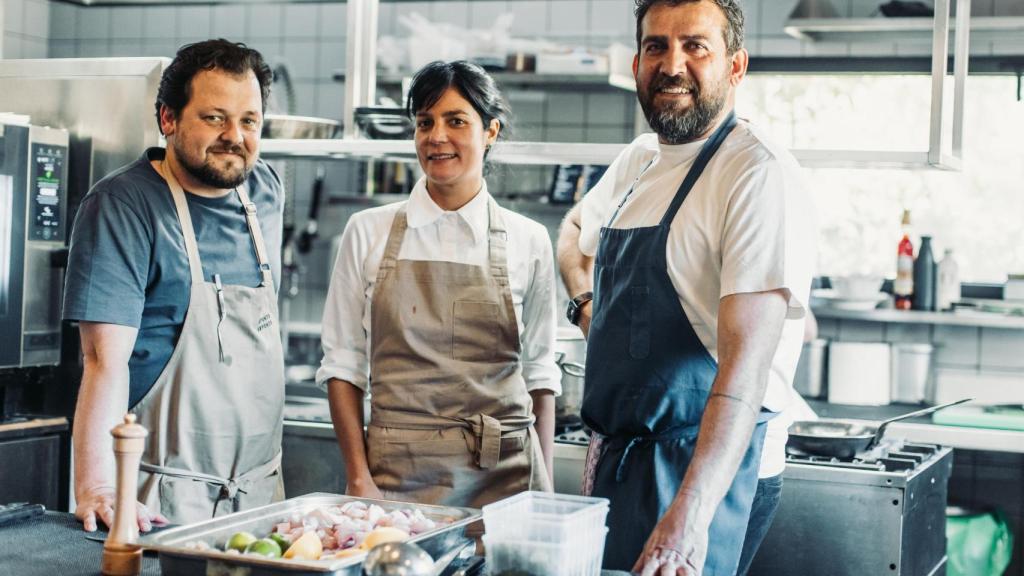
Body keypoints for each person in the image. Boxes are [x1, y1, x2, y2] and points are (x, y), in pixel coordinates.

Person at [557, 1, 816, 574]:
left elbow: (745, 366)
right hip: (627, 460)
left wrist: (691, 513)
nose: (672, 64)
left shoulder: (754, 172)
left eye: (696, 46)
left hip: (706, 470)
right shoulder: (641, 159)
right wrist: (585, 309)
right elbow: (574, 232)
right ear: (636, 62)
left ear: (736, 66)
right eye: (657, 46)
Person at [317, 60, 560, 511]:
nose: (436, 137)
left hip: (506, 479)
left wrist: (539, 495)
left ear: (490, 132)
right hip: (397, 475)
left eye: (456, 121)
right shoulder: (366, 231)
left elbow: (541, 376)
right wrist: (358, 478)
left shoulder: (530, 240)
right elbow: (343, 365)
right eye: (425, 123)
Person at [64, 39, 286, 530]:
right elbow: (104, 360)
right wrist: (98, 486)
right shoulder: (123, 206)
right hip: (159, 501)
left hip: (259, 496)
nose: (235, 136)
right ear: (168, 118)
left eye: (249, 121)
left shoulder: (265, 192)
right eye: (214, 118)